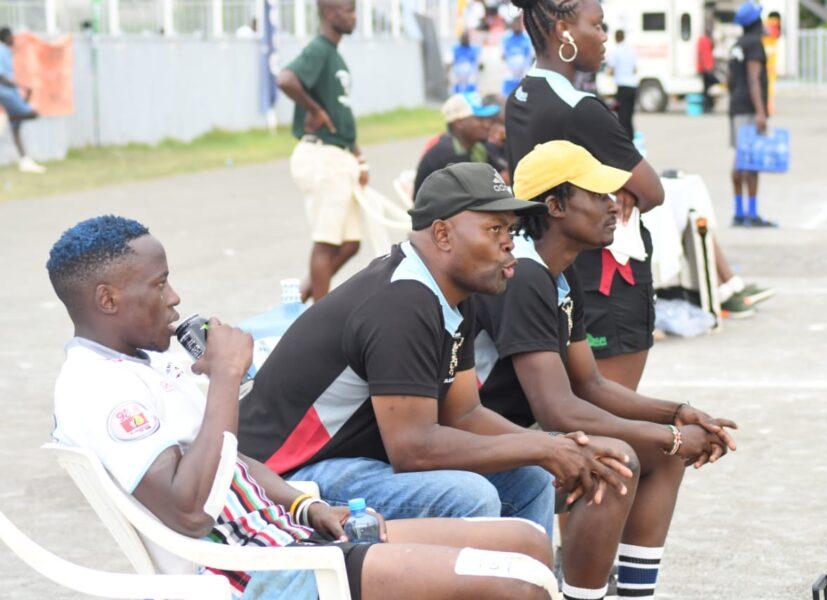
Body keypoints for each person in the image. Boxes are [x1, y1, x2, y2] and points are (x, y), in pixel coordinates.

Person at [47, 215, 560, 600]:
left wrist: (305, 506)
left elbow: (231, 459)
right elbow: (187, 510)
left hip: (290, 535)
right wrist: (226, 377)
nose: (175, 297)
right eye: (158, 285)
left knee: (525, 543)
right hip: (256, 571)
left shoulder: (144, 362)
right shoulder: (98, 389)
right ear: (107, 299)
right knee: (511, 581)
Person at [238, 162, 636, 533]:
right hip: (288, 475)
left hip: (354, 461)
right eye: (494, 229)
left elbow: (464, 413)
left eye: (510, 231)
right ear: (443, 234)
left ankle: (525, 586)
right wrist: (538, 445)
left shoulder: (453, 294)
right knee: (468, 496)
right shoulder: (403, 301)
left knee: (532, 479)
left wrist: (551, 449)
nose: (509, 244)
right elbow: (413, 449)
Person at [474, 140, 738, 600]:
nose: (614, 204)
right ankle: (584, 595)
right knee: (618, 459)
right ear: (554, 205)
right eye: (597, 195)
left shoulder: (560, 269)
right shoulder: (524, 274)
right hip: (477, 439)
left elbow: (590, 384)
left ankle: (635, 595)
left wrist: (678, 414)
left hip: (513, 431)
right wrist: (671, 436)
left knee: (659, 456)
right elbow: (558, 411)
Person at [505, 0, 664, 392]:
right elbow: (653, 191)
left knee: (575, 414)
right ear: (565, 32)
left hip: (551, 270)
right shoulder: (579, 108)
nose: (605, 37)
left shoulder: (519, 98)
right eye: (598, 25)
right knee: (610, 416)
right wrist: (620, 186)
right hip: (605, 277)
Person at [277, 0, 368, 303]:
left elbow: (339, 114)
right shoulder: (319, 49)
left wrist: (358, 157)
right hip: (322, 156)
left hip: (340, 155)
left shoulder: (335, 56)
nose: (354, 16)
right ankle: (317, 320)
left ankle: (302, 296)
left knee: (350, 243)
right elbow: (286, 79)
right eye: (348, 10)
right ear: (329, 13)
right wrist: (313, 110)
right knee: (327, 243)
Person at [728, 1, 775, 227]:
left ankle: (739, 211)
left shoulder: (737, 45)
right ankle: (751, 213)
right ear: (756, 22)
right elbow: (753, 79)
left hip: (735, 107)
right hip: (748, 108)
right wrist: (760, 111)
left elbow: (730, 80)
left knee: (739, 160)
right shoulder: (755, 45)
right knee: (751, 163)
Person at [413, 92, 503, 196]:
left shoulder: (477, 146)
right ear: (459, 123)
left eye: (487, 119)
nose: (487, 125)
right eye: (479, 119)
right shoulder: (446, 153)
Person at [0, 27, 45, 174]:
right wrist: (20, 86)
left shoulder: (7, 52)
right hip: (5, 92)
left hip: (10, 91)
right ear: (6, 37)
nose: (14, 39)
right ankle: (8, 117)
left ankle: (24, 161)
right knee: (33, 114)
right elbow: (1, 76)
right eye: (12, 37)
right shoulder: (1, 50)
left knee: (16, 127)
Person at [608, 29, 638, 140]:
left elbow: (610, 69)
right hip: (633, 85)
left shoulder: (615, 51)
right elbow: (635, 69)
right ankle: (631, 138)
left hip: (623, 86)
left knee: (622, 116)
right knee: (629, 116)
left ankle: (624, 139)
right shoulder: (631, 51)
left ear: (616, 38)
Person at [502, 15, 534, 96]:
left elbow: (531, 56)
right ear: (512, 25)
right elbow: (503, 55)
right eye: (514, 24)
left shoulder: (527, 38)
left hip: (523, 73)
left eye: (518, 24)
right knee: (507, 95)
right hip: (510, 73)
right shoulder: (506, 38)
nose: (516, 26)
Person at [697, 21, 717, 113]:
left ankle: (708, 105)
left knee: (706, 88)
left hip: (706, 67)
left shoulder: (704, 40)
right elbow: (703, 55)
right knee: (707, 89)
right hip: (706, 68)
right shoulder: (704, 40)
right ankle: (707, 106)